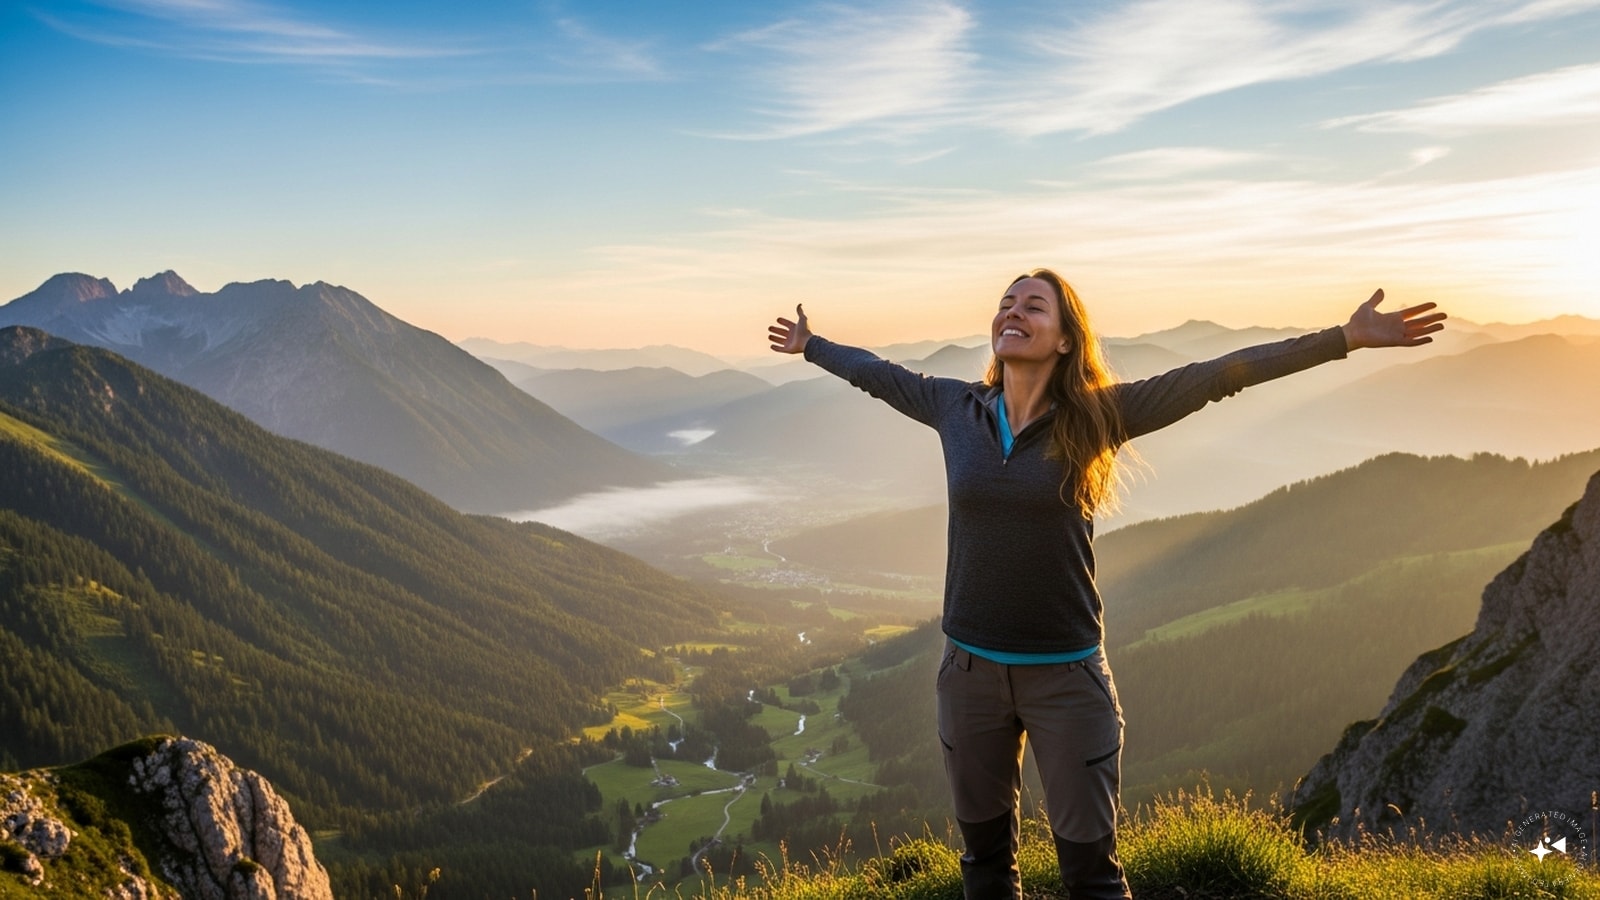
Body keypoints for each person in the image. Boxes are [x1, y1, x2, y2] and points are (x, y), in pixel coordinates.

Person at [766, 269, 1445, 900]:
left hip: (1065, 678)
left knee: (1090, 871)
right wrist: (810, 345)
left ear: (1065, 339)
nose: (1013, 310)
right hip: (967, 671)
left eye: (1034, 305)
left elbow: (1213, 376)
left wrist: (1344, 339)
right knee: (984, 864)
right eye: (1006, 301)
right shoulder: (956, 409)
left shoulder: (1098, 417)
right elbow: (877, 375)